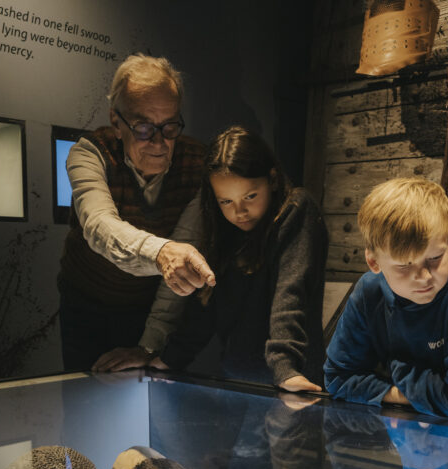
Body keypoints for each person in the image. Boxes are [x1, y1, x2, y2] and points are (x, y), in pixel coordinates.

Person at [94, 126, 328, 392]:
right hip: (238, 382)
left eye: (250, 196)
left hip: (294, 383)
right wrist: (168, 359)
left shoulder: (296, 210)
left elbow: (291, 292)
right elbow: (206, 304)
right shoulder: (225, 229)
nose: (239, 211)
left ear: (272, 180)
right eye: (226, 201)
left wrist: (286, 370)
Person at [58, 53, 216, 371]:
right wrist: (161, 253)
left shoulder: (198, 164)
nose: (159, 142)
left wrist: (149, 345)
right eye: (144, 127)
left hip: (147, 307)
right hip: (85, 303)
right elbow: (99, 227)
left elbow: (182, 259)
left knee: (147, 399)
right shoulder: (90, 153)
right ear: (117, 122)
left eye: (170, 126)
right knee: (84, 398)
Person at [324, 177, 448, 422]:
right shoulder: (368, 292)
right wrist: (400, 394)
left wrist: (399, 370)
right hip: (416, 434)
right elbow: (337, 378)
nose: (423, 277)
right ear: (374, 262)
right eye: (404, 266)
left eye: (434, 259)